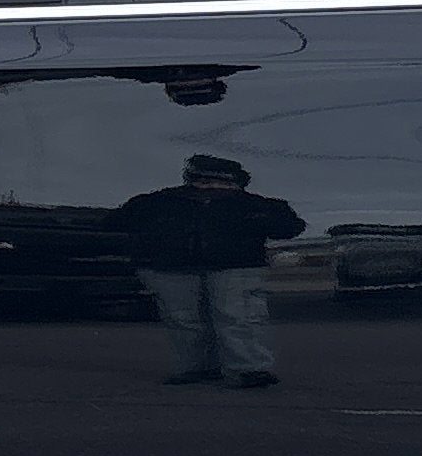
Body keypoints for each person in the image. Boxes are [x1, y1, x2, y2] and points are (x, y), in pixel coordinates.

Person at [108, 153, 301, 387]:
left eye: (219, 182)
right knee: (191, 319)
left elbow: (289, 228)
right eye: (204, 180)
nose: (211, 187)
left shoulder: (256, 205)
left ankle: (246, 369)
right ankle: (205, 368)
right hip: (173, 268)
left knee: (233, 316)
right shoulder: (157, 202)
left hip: (230, 267)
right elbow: (117, 222)